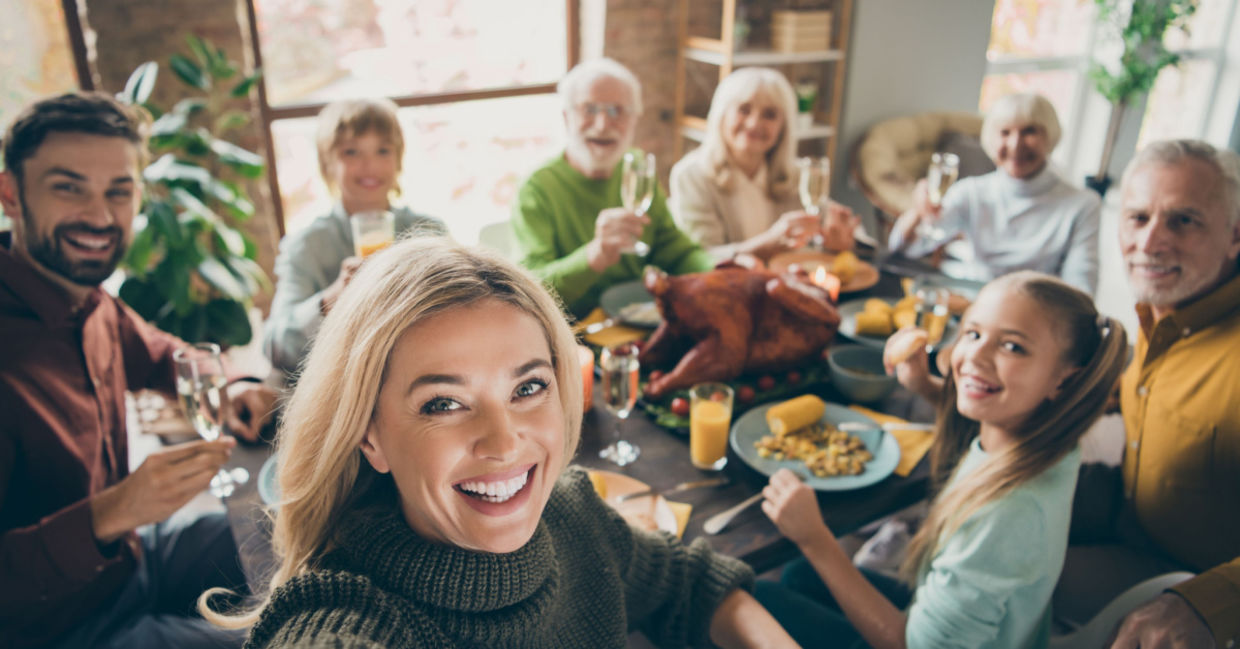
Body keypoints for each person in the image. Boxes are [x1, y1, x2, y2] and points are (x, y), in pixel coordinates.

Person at [201, 237, 798, 649]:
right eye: (443, 403)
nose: (504, 440)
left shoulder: (572, 513)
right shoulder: (347, 618)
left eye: (529, 387)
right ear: (369, 436)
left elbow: (690, 584)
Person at [0, 92, 278, 648]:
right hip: (59, 629)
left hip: (134, 560)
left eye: (119, 191)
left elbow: (159, 353)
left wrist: (230, 385)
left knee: (296, 530)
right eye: (68, 187)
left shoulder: (89, 299)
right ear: (10, 194)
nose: (101, 216)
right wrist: (109, 514)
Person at [756, 271, 1127, 649]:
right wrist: (926, 387)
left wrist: (815, 538)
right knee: (801, 576)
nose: (975, 357)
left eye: (1012, 347)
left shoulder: (1008, 515)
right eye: (973, 333)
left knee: (757, 597)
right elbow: (990, 420)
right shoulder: (1052, 439)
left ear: (1063, 381)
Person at [1053, 139, 1240, 648]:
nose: (1151, 242)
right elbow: (1131, 393)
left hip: (1191, 576)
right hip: (1127, 514)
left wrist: (1211, 602)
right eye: (1137, 218)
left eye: (1184, 221)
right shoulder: (1163, 315)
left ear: (1234, 235)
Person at [511, 58, 714, 317]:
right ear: (566, 117)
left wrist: (717, 272)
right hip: (573, 334)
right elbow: (529, 292)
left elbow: (672, 248)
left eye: (617, 111)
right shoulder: (536, 188)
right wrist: (594, 256)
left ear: (635, 120)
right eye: (589, 110)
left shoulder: (637, 168)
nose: (603, 124)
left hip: (638, 319)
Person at [263, 98, 445, 377]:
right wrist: (330, 300)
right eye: (351, 152)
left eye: (383, 151)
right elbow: (276, 350)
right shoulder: (308, 246)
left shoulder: (429, 232)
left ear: (398, 160)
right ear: (328, 165)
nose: (370, 165)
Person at [887, 93, 1101, 295]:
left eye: (1029, 131)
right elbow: (907, 248)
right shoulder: (970, 192)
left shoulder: (1082, 205)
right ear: (991, 139)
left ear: (1050, 136)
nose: (1016, 144)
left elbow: (1081, 290)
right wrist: (918, 211)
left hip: (1037, 314)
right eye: (1005, 132)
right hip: (973, 303)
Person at [669, 67, 859, 260]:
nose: (754, 123)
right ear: (721, 115)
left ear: (783, 128)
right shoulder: (691, 176)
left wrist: (843, 240)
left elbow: (852, 232)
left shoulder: (797, 175)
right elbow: (701, 258)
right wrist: (767, 244)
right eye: (744, 110)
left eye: (769, 115)